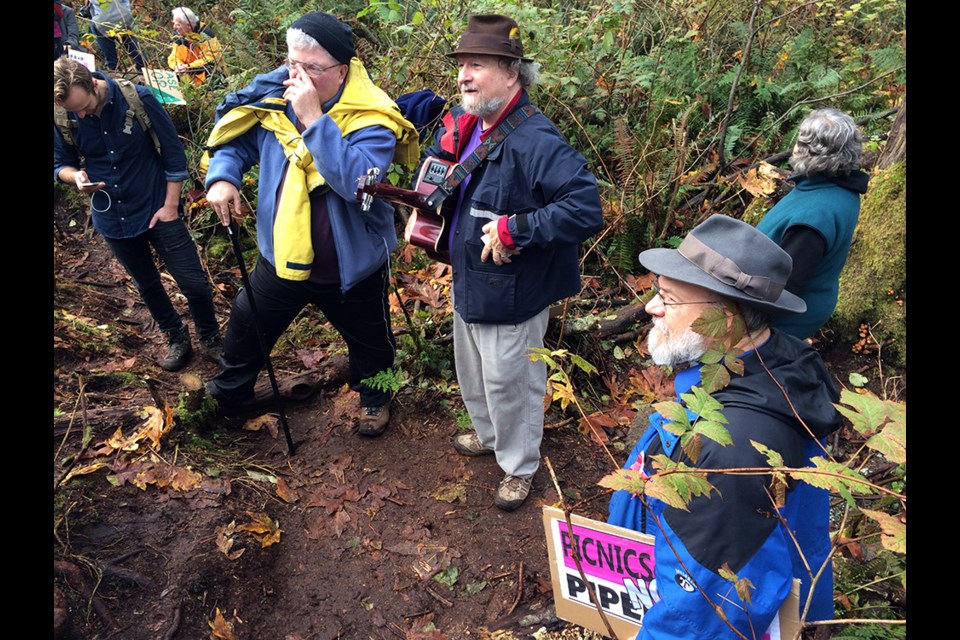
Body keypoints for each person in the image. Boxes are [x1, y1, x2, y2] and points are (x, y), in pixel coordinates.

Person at [606, 214, 841, 639]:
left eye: (668, 297)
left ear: (726, 322)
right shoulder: (775, 360)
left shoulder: (731, 451)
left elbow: (701, 617)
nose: (650, 307)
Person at [202, 11, 418, 435]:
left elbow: (357, 183)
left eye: (311, 68)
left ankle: (376, 399)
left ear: (342, 70)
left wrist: (315, 120)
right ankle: (230, 395)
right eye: (291, 63)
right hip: (282, 254)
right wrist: (223, 177)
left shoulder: (373, 117)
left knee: (371, 342)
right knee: (248, 322)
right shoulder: (275, 99)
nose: (295, 75)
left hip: (350, 266)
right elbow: (235, 141)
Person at [420, 14, 603, 511]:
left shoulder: (534, 139)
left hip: (514, 292)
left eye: (476, 65)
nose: (463, 76)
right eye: (461, 65)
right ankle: (489, 436)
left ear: (511, 71)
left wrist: (514, 229)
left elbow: (585, 208)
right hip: (471, 280)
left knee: (512, 382)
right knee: (473, 372)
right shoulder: (471, 125)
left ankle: (519, 466)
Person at [53, 56, 222, 371]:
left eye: (85, 106)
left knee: (194, 283)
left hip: (157, 204)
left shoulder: (138, 98)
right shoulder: (64, 115)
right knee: (146, 283)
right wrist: (75, 177)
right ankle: (175, 336)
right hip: (112, 216)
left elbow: (173, 154)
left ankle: (210, 336)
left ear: (93, 84)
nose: (82, 114)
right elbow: (59, 163)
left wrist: (171, 207)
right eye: (74, 111)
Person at [756, 107, 869, 339]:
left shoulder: (815, 217)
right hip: (810, 299)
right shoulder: (837, 188)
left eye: (798, 143)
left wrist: (747, 327)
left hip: (781, 321)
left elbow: (784, 290)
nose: (793, 149)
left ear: (812, 154)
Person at [167, 7, 224, 87]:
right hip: (188, 79)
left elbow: (211, 59)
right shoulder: (179, 36)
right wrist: (178, 66)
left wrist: (189, 67)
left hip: (210, 79)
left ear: (189, 26)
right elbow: (174, 57)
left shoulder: (206, 35)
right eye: (174, 23)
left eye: (178, 24)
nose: (174, 27)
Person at [86, 0, 146, 72]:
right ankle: (144, 66)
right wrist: (126, 14)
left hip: (102, 23)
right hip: (121, 18)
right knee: (133, 46)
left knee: (111, 59)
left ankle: (115, 71)